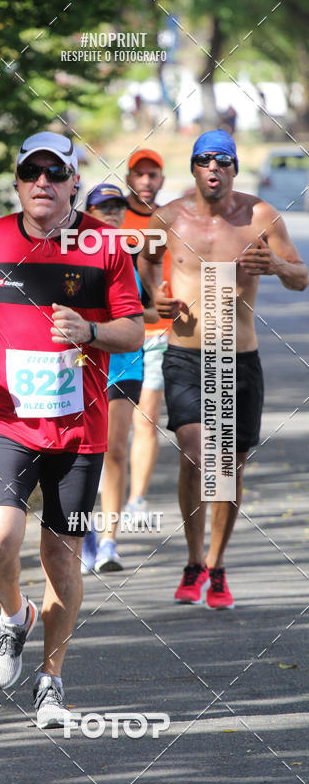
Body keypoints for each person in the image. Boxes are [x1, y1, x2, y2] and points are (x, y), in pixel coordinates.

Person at [0, 132, 144, 727]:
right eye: (31, 173)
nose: (42, 183)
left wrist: (89, 333)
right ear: (17, 182)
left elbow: (133, 331)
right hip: (5, 420)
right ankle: (13, 617)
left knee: (63, 558)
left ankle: (51, 680)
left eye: (55, 174)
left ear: (74, 182)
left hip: (80, 429)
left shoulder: (106, 245)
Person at [138, 129, 307, 609]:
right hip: (187, 354)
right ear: (193, 169)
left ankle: (216, 566)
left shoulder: (260, 216)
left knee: (227, 469)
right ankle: (193, 560)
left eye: (224, 161)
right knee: (194, 452)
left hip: (238, 357)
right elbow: (145, 262)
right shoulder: (168, 217)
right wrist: (157, 297)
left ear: (234, 169)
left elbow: (301, 279)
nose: (214, 169)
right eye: (204, 161)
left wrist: (274, 263)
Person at [79, 184, 158, 573]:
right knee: (78, 451)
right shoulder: (70, 251)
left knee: (115, 449)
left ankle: (109, 541)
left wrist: (170, 308)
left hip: (125, 360)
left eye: (117, 208)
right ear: (88, 210)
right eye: (103, 207)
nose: (111, 213)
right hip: (80, 362)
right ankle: (82, 533)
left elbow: (150, 308)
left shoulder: (133, 251)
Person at [122, 150, 169, 521]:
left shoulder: (170, 220)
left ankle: (136, 499)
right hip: (114, 335)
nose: (147, 182)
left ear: (162, 180)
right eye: (140, 175)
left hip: (156, 333)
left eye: (153, 175)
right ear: (128, 178)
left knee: (147, 417)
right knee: (109, 422)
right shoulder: (108, 215)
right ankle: (107, 488)